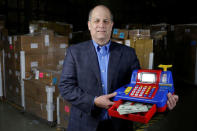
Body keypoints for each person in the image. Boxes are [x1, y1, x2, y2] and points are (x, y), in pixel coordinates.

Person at [58, 5, 179, 131]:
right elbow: (65, 87)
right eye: (96, 20)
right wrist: (93, 101)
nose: (101, 25)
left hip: (119, 124)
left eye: (106, 21)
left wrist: (164, 103)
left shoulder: (128, 53)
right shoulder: (75, 52)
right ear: (89, 25)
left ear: (111, 25)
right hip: (83, 124)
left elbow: (141, 88)